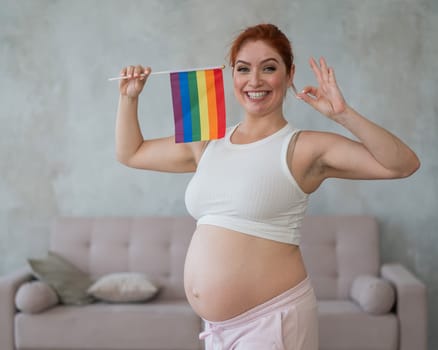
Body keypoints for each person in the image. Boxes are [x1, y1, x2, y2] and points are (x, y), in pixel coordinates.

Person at [115, 23, 420, 350]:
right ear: (232, 76)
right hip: (217, 329)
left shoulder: (304, 148)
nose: (255, 80)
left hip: (271, 322)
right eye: (243, 69)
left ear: (289, 76)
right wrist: (129, 99)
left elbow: (402, 165)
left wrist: (343, 115)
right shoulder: (208, 143)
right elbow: (131, 153)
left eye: (269, 68)